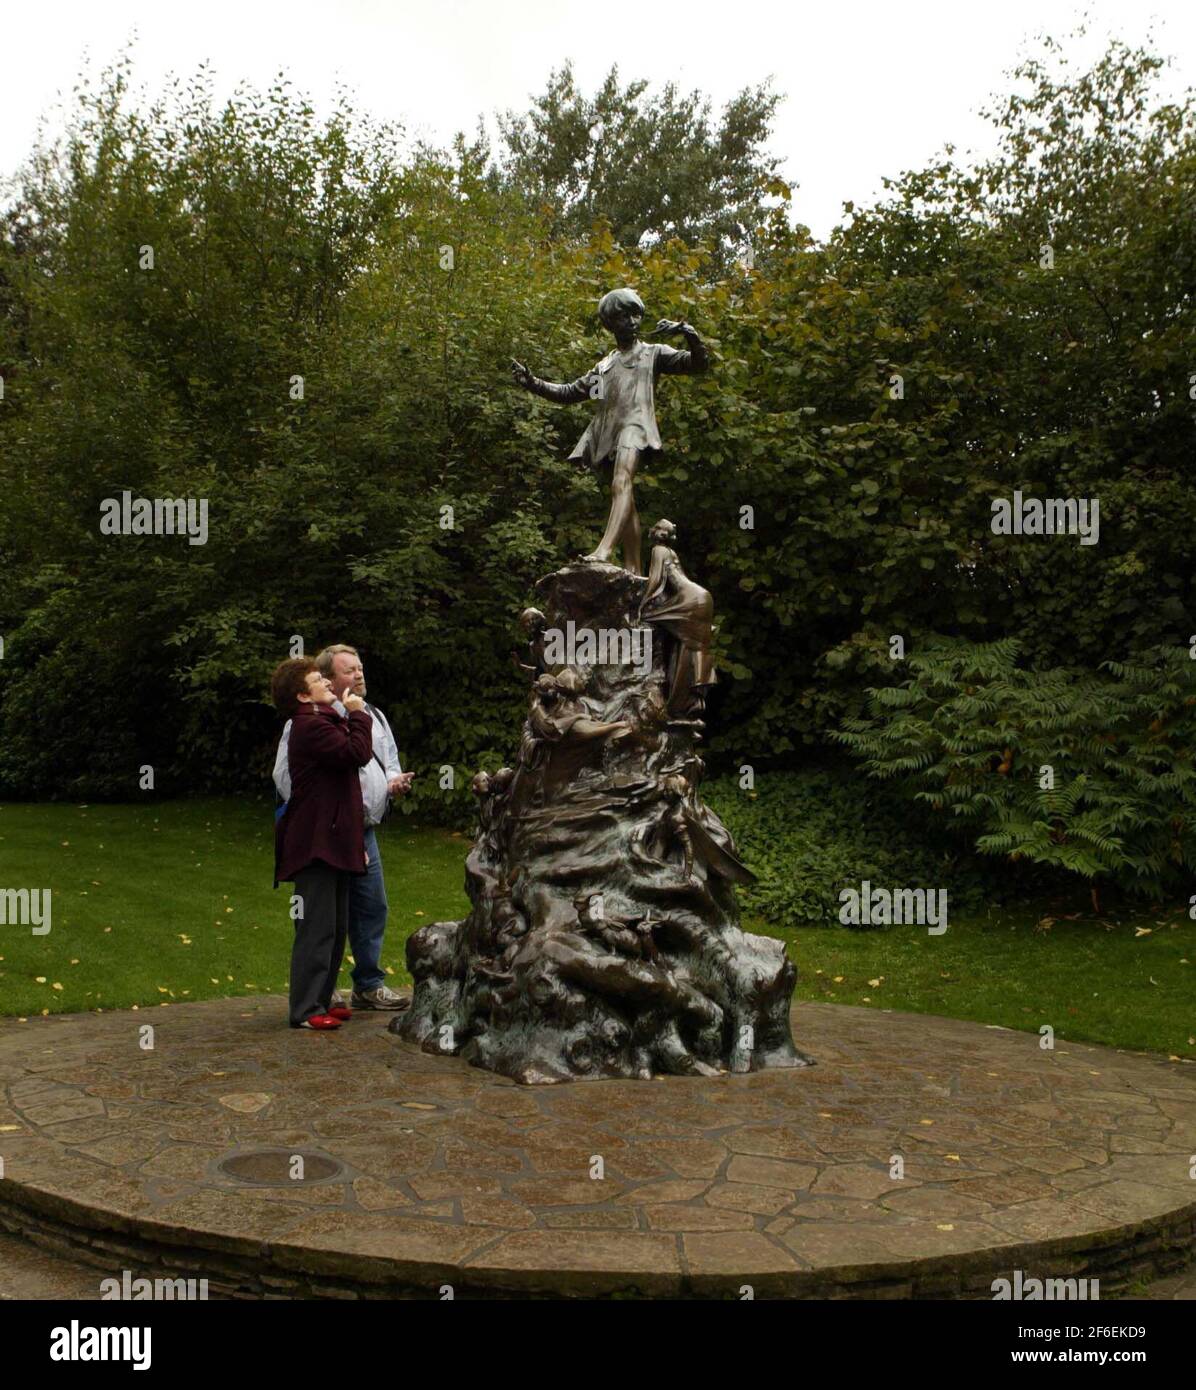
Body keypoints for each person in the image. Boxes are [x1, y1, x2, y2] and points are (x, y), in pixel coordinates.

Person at [512, 288, 708, 575]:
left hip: (636, 426)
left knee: (621, 481)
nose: (631, 321)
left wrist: (688, 332)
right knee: (624, 496)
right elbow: (569, 392)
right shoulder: (605, 366)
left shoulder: (653, 354)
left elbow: (698, 364)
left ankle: (604, 550)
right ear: (610, 322)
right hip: (608, 432)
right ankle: (633, 569)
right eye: (623, 315)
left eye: (635, 314)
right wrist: (532, 383)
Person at [273, 645, 414, 1010]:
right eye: (349, 671)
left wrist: (392, 782)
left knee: (369, 909)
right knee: (321, 917)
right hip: (327, 834)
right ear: (330, 681)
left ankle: (367, 983)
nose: (359, 675)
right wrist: (329, 819)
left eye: (360, 668)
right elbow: (291, 778)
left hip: (361, 830)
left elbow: (386, 762)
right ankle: (319, 995)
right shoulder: (307, 722)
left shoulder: (372, 715)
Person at [271, 657, 374, 1030]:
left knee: (335, 925)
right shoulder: (309, 725)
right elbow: (357, 753)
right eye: (318, 680)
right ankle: (305, 1009)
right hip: (315, 842)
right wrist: (359, 714)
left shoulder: (324, 721)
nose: (328, 683)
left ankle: (322, 999)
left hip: (336, 839)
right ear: (302, 695)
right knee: (316, 927)